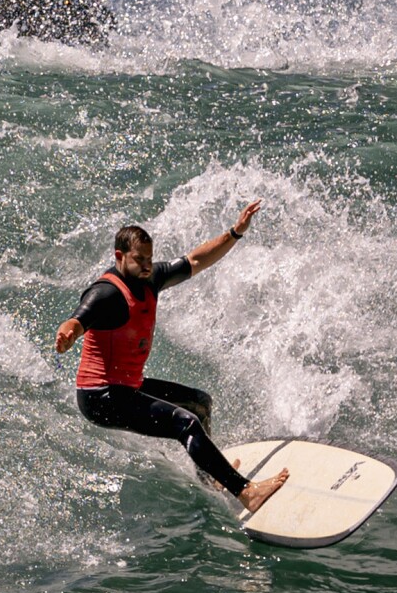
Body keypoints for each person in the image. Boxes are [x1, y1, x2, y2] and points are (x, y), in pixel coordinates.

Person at [55, 205, 291, 517]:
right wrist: (67, 335)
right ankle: (247, 492)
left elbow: (195, 260)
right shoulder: (106, 294)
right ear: (119, 256)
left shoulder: (151, 279)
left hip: (127, 387)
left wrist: (235, 233)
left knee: (200, 404)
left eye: (149, 259)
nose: (146, 266)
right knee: (185, 423)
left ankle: (211, 477)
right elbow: (77, 320)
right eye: (139, 259)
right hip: (101, 397)